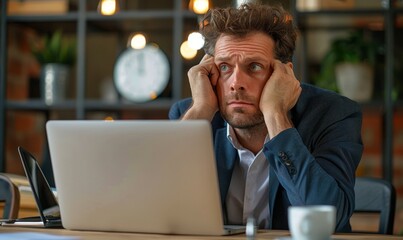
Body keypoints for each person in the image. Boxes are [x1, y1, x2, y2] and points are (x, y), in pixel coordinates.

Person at [169, 2, 362, 232]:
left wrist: (275, 114)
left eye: (255, 67)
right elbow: (157, 204)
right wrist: (200, 111)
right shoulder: (192, 115)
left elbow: (329, 222)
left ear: (284, 75)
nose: (236, 83)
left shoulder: (333, 114)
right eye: (224, 67)